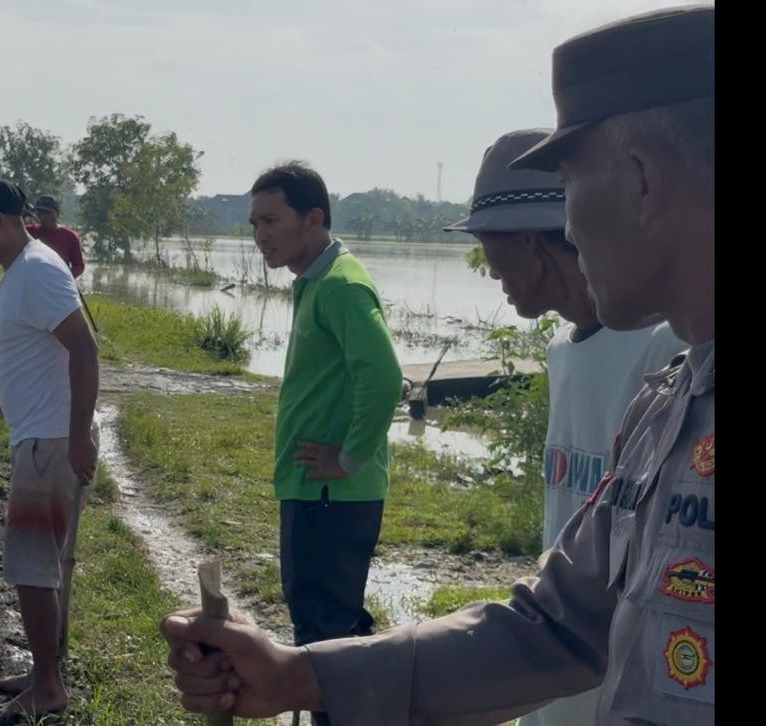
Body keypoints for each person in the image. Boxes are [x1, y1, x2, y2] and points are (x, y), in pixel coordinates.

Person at [161, 7, 714, 724]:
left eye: (570, 186)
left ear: (642, 179)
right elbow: (555, 626)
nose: (567, 225)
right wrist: (302, 676)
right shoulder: (668, 407)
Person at [445, 128, 686, 726]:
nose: (487, 264)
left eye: (489, 244)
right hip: (557, 637)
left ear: (532, 243)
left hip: (621, 663)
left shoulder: (665, 349)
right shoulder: (560, 350)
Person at [0, 178, 99, 720]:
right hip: (40, 431)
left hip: (50, 440)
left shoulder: (35, 270)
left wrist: (76, 437)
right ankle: (42, 671)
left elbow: (84, 349)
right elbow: (42, 356)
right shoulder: (21, 272)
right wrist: (1, 398)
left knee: (31, 569)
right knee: (37, 566)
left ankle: (49, 688)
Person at [250, 161, 403, 725]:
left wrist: (350, 456)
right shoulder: (317, 281)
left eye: (271, 220)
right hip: (316, 491)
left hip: (332, 495)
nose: (262, 234)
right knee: (326, 626)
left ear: (313, 218)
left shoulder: (340, 284)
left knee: (325, 636)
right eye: (253, 223)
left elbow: (384, 376)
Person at [24, 195, 85, 278]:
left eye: (46, 212)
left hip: (60, 283)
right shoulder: (28, 231)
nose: (42, 216)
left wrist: (63, 278)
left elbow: (78, 266)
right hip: (33, 280)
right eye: (39, 212)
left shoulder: (70, 236)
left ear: (56, 213)